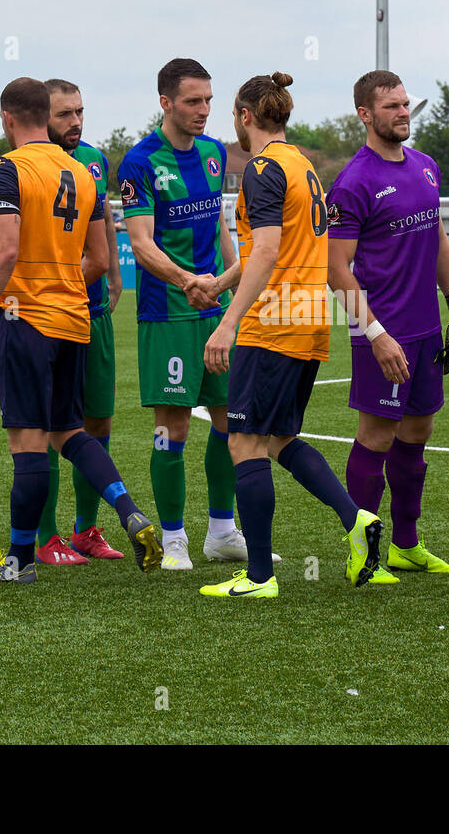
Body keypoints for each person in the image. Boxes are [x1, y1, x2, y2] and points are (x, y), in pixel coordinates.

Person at [0, 78, 160, 583]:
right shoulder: (83, 173)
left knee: (27, 441)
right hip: (75, 319)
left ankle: (19, 561)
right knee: (70, 431)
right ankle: (130, 511)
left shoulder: (8, 170)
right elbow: (99, 257)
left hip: (24, 320)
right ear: (46, 114)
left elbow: (2, 252)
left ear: (7, 118)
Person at [196, 72, 383, 597]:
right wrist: (221, 282)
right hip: (308, 317)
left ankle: (259, 576)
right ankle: (356, 520)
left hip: (272, 322)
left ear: (244, 116)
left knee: (244, 442)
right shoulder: (302, 164)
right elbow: (280, 247)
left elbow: (268, 250)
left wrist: (228, 321)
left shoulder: (261, 168)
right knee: (279, 439)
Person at [325, 69, 449, 582]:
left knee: (419, 433)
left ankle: (407, 546)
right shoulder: (353, 181)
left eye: (406, 104)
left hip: (425, 329)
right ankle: (360, 552)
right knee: (376, 436)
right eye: (391, 106)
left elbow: (439, 241)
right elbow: (335, 270)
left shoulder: (427, 168)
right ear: (365, 114)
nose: (403, 113)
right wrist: (375, 334)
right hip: (381, 333)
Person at [119, 58, 259, 571]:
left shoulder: (214, 154)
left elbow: (218, 226)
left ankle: (222, 530)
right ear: (165, 103)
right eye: (193, 101)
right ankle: (174, 538)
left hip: (216, 310)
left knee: (230, 420)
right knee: (172, 427)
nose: (204, 111)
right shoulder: (138, 162)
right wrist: (188, 282)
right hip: (167, 313)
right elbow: (140, 243)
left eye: (208, 101)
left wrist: (228, 284)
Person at [29, 77, 125, 564]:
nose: (75, 122)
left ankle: (86, 529)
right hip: (47, 315)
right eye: (65, 114)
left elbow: (101, 211)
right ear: (41, 116)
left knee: (97, 419)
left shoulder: (92, 158)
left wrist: (110, 269)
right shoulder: (26, 165)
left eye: (80, 112)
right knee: (47, 425)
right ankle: (44, 537)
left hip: (92, 310)